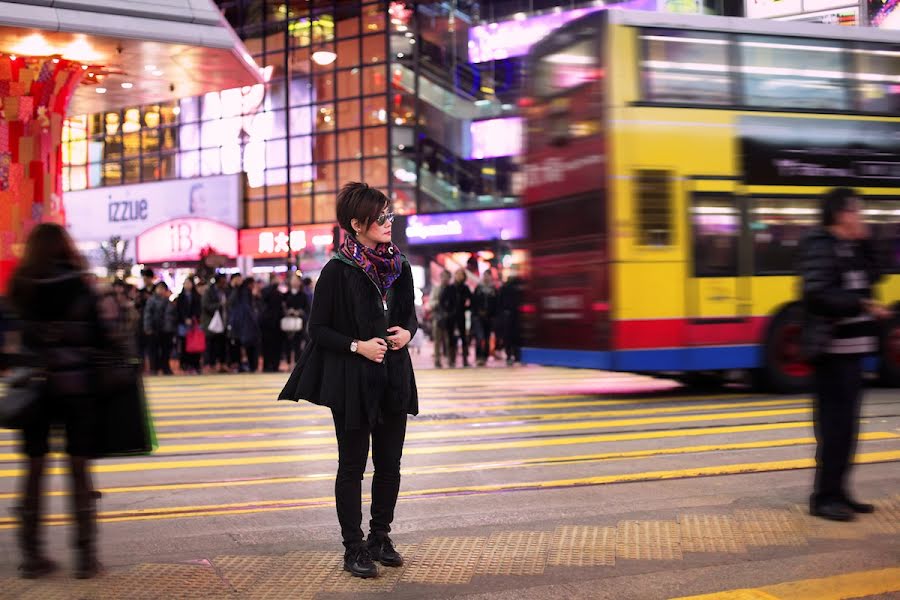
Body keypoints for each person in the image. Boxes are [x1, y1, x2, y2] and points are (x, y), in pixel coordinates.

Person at [279, 182, 418, 579]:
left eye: (390, 215)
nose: (389, 222)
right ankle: (353, 546)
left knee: (390, 465)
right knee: (352, 466)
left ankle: (380, 536)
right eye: (381, 217)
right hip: (354, 383)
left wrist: (408, 333)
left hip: (394, 378)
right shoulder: (338, 271)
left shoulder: (401, 266)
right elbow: (317, 329)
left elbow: (410, 316)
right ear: (357, 224)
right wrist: (358, 346)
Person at [8, 223, 108, 579]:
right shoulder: (82, 285)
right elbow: (103, 338)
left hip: (33, 391)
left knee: (34, 469)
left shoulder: (19, 287)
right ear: (66, 248)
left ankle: (31, 556)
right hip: (76, 390)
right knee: (78, 469)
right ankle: (85, 558)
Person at [799, 187, 892, 522]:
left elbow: (878, 273)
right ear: (840, 213)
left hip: (854, 354)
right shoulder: (819, 245)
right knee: (833, 427)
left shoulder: (852, 246)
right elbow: (816, 294)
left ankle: (840, 492)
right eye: (857, 210)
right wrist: (861, 303)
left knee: (849, 428)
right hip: (831, 353)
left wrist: (866, 240)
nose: (860, 215)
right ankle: (823, 497)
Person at [228, 278, 262, 373]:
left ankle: (243, 365)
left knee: (242, 345)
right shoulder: (244, 294)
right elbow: (247, 309)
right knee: (249, 345)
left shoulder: (242, 293)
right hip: (246, 325)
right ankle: (250, 366)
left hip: (242, 325)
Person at [144, 282, 174, 375]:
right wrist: (147, 327)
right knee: (153, 350)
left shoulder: (169, 301)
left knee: (166, 351)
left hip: (167, 330)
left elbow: (172, 316)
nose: (160, 290)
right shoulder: (151, 300)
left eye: (162, 288)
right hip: (154, 329)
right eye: (159, 288)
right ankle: (154, 368)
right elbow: (147, 315)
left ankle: (166, 368)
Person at [202, 275, 229, 373]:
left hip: (223, 322)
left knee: (222, 345)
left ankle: (222, 364)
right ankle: (210, 365)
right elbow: (206, 306)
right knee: (210, 345)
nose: (225, 284)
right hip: (211, 323)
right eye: (223, 282)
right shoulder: (209, 292)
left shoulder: (225, 291)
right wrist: (220, 305)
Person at [445, 269, 472, 368]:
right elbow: (443, 301)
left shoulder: (465, 288)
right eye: (457, 274)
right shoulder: (449, 288)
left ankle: (465, 360)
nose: (459, 276)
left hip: (461, 315)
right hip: (451, 316)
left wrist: (466, 308)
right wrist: (447, 311)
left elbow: (471, 300)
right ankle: (451, 360)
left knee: (464, 337)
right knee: (451, 338)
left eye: (461, 275)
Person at [471, 270, 499, 367]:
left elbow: (496, 304)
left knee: (487, 338)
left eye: (488, 276)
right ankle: (479, 357)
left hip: (489, 318)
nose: (486, 278)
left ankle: (485, 357)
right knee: (480, 337)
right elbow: (473, 303)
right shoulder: (478, 289)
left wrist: (493, 315)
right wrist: (477, 313)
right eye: (485, 276)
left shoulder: (494, 290)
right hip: (478, 317)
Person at [176, 276, 203, 374]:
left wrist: (193, 318)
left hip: (194, 324)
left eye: (189, 283)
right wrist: (184, 319)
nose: (187, 285)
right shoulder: (180, 297)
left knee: (195, 345)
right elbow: (178, 311)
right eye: (185, 283)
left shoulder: (197, 296)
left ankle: (195, 364)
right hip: (183, 325)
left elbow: (199, 309)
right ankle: (185, 365)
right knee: (184, 345)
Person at [283, 273, 310, 367]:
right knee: (287, 342)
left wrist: (298, 312)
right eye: (292, 280)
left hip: (299, 322)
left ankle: (297, 363)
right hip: (288, 323)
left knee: (298, 342)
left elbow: (307, 308)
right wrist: (288, 311)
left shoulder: (303, 295)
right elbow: (283, 307)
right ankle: (288, 362)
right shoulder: (286, 295)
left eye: (296, 280)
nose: (294, 282)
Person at [260, 273, 285, 373]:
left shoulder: (275, 292)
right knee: (270, 346)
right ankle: (270, 365)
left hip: (273, 323)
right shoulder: (270, 292)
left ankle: (272, 365)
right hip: (270, 323)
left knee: (273, 346)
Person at [498, 274, 524, 366]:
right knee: (515, 337)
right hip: (515, 315)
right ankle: (516, 357)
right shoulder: (518, 288)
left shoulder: (503, 288)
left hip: (507, 315)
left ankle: (509, 356)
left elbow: (499, 303)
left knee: (508, 337)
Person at [429, 270, 451, 368]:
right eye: (443, 277)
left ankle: (450, 359)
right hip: (437, 317)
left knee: (449, 340)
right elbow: (431, 303)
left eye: (447, 277)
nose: (445, 279)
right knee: (437, 341)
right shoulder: (436, 289)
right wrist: (438, 302)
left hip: (449, 318)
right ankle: (437, 360)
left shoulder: (451, 289)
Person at [134, 268, 155, 371]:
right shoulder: (140, 291)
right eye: (144, 278)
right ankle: (141, 368)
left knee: (153, 347)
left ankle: (153, 368)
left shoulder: (157, 289)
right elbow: (136, 306)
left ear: (151, 278)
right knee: (141, 347)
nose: (145, 280)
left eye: (147, 278)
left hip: (154, 322)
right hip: (141, 322)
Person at [227, 273, 244, 371]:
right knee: (233, 343)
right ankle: (233, 364)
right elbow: (229, 302)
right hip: (232, 321)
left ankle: (240, 363)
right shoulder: (230, 290)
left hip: (241, 321)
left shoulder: (243, 290)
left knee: (240, 344)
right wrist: (234, 288)